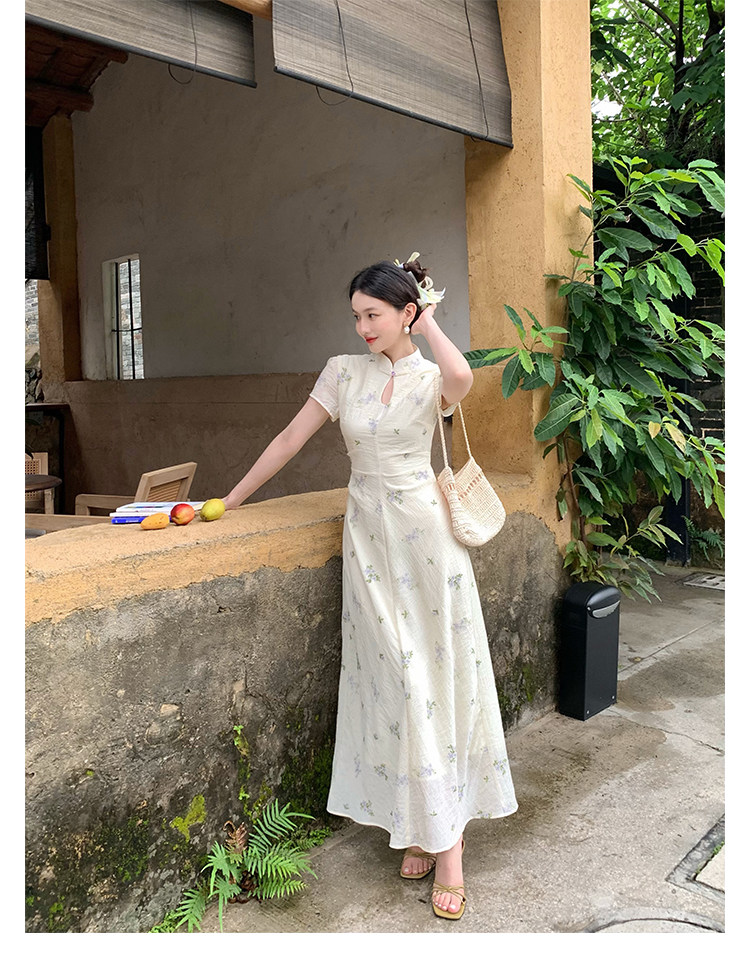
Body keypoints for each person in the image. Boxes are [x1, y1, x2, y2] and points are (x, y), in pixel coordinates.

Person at [223, 255, 518, 921]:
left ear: (405, 313)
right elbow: (292, 437)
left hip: (427, 541)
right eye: (356, 315)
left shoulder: (429, 376)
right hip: (368, 540)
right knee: (394, 682)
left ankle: (448, 849)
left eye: (374, 315)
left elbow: (463, 378)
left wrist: (430, 319)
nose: (362, 327)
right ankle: (418, 824)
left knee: (432, 681)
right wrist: (234, 498)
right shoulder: (342, 371)